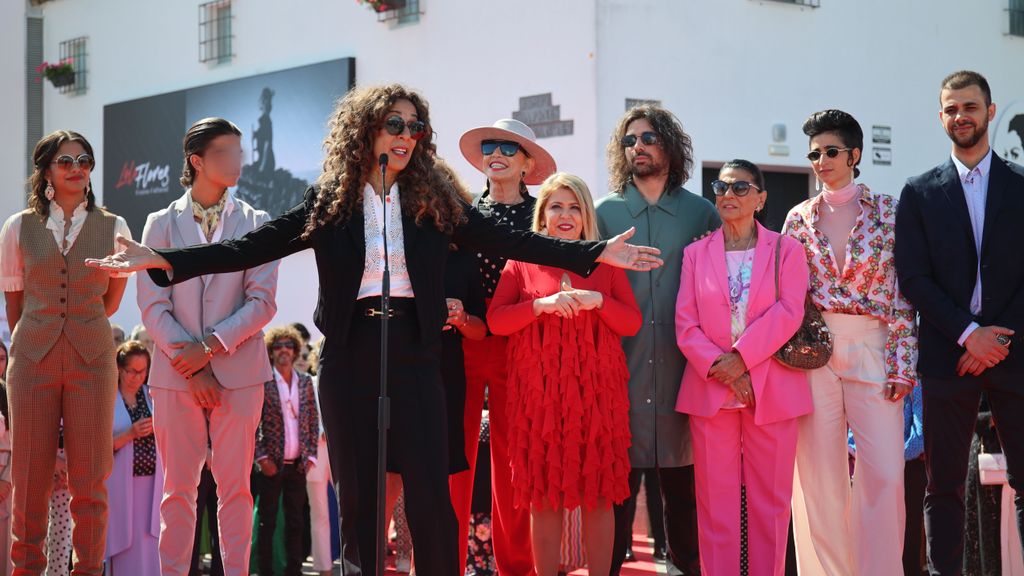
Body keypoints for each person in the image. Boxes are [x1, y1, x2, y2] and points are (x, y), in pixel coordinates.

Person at [85, 83, 662, 576]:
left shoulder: (436, 198)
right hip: (349, 350)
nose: (406, 134)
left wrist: (596, 254)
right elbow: (249, 247)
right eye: (394, 123)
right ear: (366, 132)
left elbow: (512, 240)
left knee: (432, 493)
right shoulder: (329, 200)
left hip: (417, 347)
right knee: (358, 494)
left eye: (415, 126)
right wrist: (163, 260)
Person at [136, 117, 279, 576]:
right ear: (197, 161)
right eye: (226, 153)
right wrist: (192, 366)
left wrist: (212, 348)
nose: (238, 160)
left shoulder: (257, 222)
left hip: (240, 374)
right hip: (176, 378)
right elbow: (152, 305)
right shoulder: (159, 224)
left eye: (240, 151)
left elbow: (263, 302)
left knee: (235, 488)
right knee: (177, 489)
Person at [895, 70, 1024, 575]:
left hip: (1015, 353)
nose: (960, 116)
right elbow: (914, 278)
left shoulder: (1020, 187)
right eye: (950, 109)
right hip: (948, 357)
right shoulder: (919, 192)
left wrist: (996, 338)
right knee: (943, 485)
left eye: (969, 107)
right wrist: (970, 335)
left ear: (990, 112)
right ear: (941, 116)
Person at [785, 109, 917, 576]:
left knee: (883, 473)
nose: (821, 160)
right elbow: (789, 296)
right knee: (819, 478)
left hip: (875, 346)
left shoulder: (889, 211)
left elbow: (904, 293)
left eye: (831, 151)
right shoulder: (797, 218)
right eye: (814, 153)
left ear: (855, 155)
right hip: (815, 352)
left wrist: (904, 366)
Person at [488, 172, 640, 576]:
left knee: (599, 494)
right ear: (543, 214)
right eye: (556, 205)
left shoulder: (604, 261)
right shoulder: (521, 260)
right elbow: (496, 321)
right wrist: (540, 306)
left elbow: (631, 322)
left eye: (575, 206)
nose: (566, 214)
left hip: (596, 392)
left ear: (587, 214)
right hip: (536, 394)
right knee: (543, 495)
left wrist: (597, 300)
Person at [595, 104, 720, 576]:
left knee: (684, 507)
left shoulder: (701, 213)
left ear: (669, 144)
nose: (638, 147)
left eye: (648, 138)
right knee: (614, 504)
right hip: (617, 378)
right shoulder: (604, 213)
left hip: (683, 380)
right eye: (630, 140)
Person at [0, 130, 132, 575]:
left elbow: (110, 303)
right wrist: (38, 338)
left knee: (91, 483)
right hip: (31, 362)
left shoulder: (115, 227)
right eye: (66, 160)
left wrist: (77, 325)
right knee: (29, 481)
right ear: (47, 170)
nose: (77, 167)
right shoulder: (18, 227)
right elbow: (15, 304)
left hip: (93, 362)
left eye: (85, 159)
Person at [674, 160, 811, 575]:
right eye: (721, 186)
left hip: (771, 390)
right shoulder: (695, 254)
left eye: (740, 187)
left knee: (770, 506)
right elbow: (685, 323)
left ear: (761, 198)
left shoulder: (787, 249)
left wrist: (743, 361)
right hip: (712, 391)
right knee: (716, 506)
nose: (728, 195)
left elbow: (790, 311)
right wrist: (726, 369)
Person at [456, 118, 557, 576]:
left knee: (514, 471)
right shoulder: (459, 216)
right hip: (459, 346)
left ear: (527, 164)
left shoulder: (542, 218)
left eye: (508, 148)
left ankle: (517, 568)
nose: (495, 152)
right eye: (490, 145)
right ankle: (442, 563)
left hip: (521, 350)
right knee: (452, 465)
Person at [254, 326, 319, 576]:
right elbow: (252, 422)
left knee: (296, 522)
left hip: (299, 464)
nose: (284, 350)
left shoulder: (304, 382)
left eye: (288, 345)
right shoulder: (263, 380)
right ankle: (265, 571)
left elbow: (313, 420)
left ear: (295, 350)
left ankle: (294, 571)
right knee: (267, 523)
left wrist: (311, 455)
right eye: (278, 345)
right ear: (271, 351)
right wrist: (261, 458)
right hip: (271, 464)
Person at [106, 341, 162, 575]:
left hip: (152, 487)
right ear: (119, 368)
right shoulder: (108, 400)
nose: (137, 377)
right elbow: (97, 448)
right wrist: (130, 434)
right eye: (132, 371)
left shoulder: (152, 397)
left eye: (143, 371)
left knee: (150, 546)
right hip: (120, 486)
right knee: (123, 543)